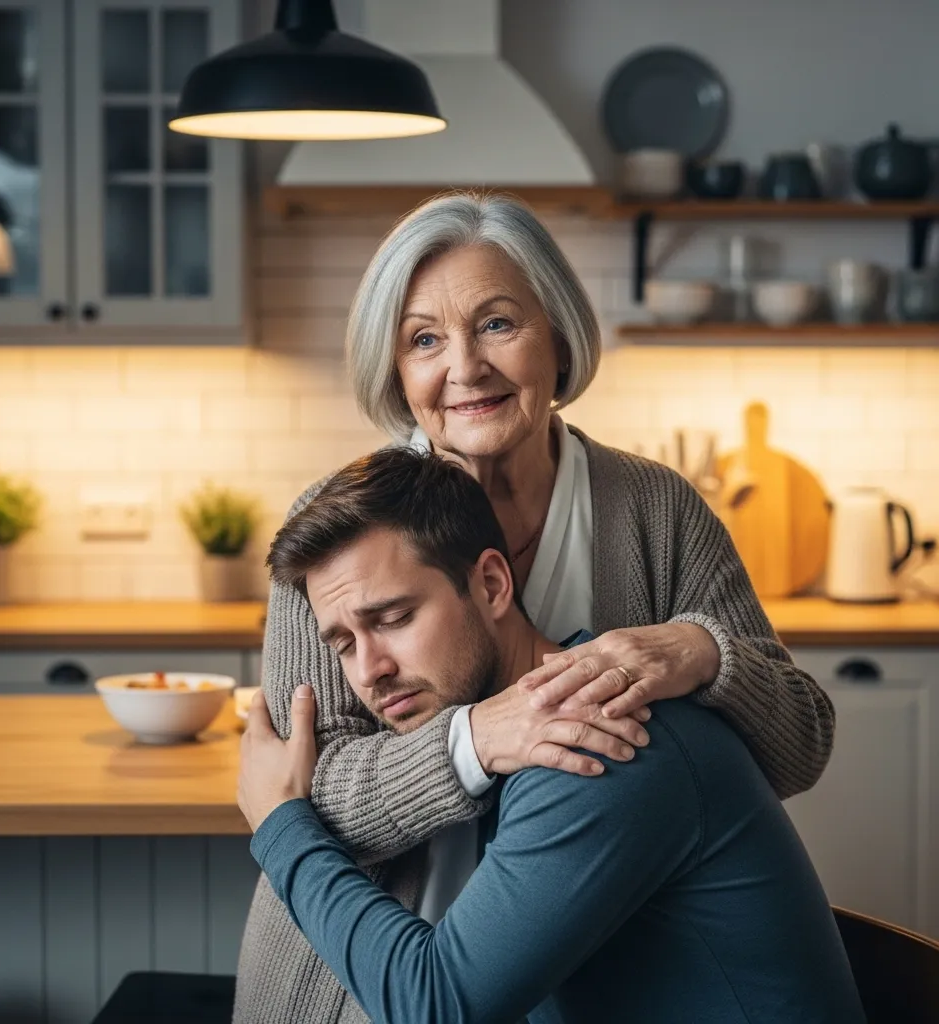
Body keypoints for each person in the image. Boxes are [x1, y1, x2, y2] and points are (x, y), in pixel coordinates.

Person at [233, 192, 835, 1024]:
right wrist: (476, 743)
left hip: (565, 966)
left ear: (556, 336)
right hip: (360, 974)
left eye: (497, 324)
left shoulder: (653, 508)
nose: (464, 368)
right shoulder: (339, 538)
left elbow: (799, 746)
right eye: (423, 340)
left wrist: (703, 651)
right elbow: (297, 781)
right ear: (397, 373)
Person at [237, 448, 863, 1024]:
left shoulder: (595, 731)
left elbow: (433, 1005)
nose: (370, 670)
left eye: (395, 618)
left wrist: (281, 824)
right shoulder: (519, 734)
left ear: (491, 584)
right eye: (343, 644)